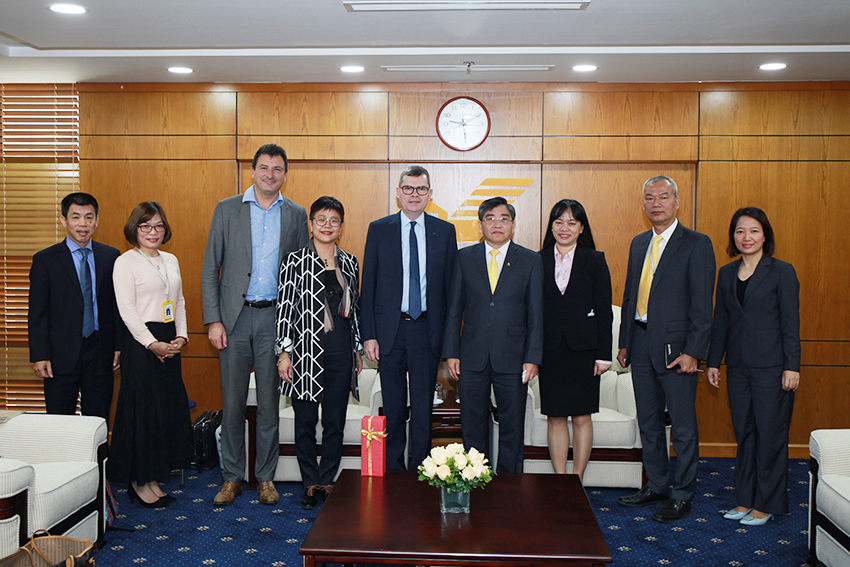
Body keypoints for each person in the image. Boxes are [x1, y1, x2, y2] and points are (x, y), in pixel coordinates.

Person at [201, 143, 309, 506]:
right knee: (232, 405)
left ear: (285, 174)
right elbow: (209, 269)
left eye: (277, 169)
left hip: (274, 319)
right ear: (252, 171)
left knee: (269, 405)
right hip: (233, 319)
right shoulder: (227, 209)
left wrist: (292, 329)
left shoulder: (295, 214)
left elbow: (299, 275)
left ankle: (265, 477)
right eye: (264, 168)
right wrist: (214, 320)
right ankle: (232, 477)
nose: (270, 174)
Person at [616, 175, 715, 523]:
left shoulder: (696, 243)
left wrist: (694, 352)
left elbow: (703, 306)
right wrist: (625, 341)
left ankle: (683, 494)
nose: (656, 203)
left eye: (663, 197)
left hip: (677, 350)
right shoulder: (639, 242)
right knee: (649, 422)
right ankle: (656, 484)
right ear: (643, 204)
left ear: (676, 201)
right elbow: (631, 296)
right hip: (640, 343)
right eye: (649, 198)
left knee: (683, 426)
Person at [707, 207, 800, 526]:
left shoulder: (782, 271)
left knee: (770, 435)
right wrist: (713, 362)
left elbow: (790, 322)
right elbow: (720, 321)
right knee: (745, 434)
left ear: (765, 235)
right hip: (738, 368)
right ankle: (746, 500)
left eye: (754, 231)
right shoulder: (727, 273)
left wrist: (792, 366)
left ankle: (768, 503)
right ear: (733, 237)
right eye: (740, 231)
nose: (747, 237)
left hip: (773, 368)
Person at [360, 166, 458, 470]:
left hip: (428, 331)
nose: (414, 195)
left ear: (430, 194)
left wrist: (449, 340)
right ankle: (393, 470)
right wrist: (369, 335)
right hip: (390, 333)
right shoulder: (379, 229)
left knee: (423, 408)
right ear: (398, 192)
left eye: (421, 189)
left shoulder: (445, 231)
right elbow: (369, 286)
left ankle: (421, 469)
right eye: (408, 188)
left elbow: (451, 291)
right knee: (393, 408)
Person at [443, 197, 543, 473]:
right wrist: (451, 351)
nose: (497, 224)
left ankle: (510, 486)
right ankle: (477, 479)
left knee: (512, 426)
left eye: (503, 218)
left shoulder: (530, 260)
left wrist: (532, 357)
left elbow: (536, 314)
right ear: (480, 224)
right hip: (471, 356)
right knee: (473, 425)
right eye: (490, 218)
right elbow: (454, 309)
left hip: (514, 358)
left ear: (512, 224)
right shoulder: (464, 258)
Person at [276, 197, 363, 510]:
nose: (328, 225)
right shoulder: (294, 260)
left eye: (334, 220)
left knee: (335, 421)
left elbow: (355, 311)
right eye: (321, 219)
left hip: (341, 350)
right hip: (305, 351)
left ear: (341, 227)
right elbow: (285, 308)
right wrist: (283, 354)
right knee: (305, 422)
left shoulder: (350, 261)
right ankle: (310, 483)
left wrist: (357, 348)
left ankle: (328, 480)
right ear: (311, 224)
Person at [109, 201, 192, 507]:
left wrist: (181, 336)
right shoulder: (126, 262)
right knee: (143, 413)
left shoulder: (170, 259)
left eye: (158, 225)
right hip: (140, 343)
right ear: (135, 228)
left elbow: (179, 300)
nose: (152, 232)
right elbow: (127, 310)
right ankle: (139, 481)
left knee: (164, 411)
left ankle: (154, 478)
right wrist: (151, 343)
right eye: (146, 226)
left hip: (169, 339)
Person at [28, 192, 121, 422]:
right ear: (63, 220)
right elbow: (37, 313)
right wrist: (40, 355)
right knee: (60, 423)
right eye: (76, 217)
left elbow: (116, 307)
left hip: (100, 352)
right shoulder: (45, 260)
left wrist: (118, 346)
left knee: (98, 422)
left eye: (89, 217)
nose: (83, 224)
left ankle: (98, 461)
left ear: (97, 220)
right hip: (60, 356)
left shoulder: (111, 256)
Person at [539, 199, 612, 481]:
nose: (564, 228)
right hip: (550, 349)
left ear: (582, 228)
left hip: (584, 350)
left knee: (582, 417)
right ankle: (561, 479)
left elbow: (604, 310)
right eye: (559, 222)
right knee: (555, 416)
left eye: (572, 222)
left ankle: (577, 478)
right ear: (551, 226)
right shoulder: (539, 258)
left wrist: (603, 355)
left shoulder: (595, 260)